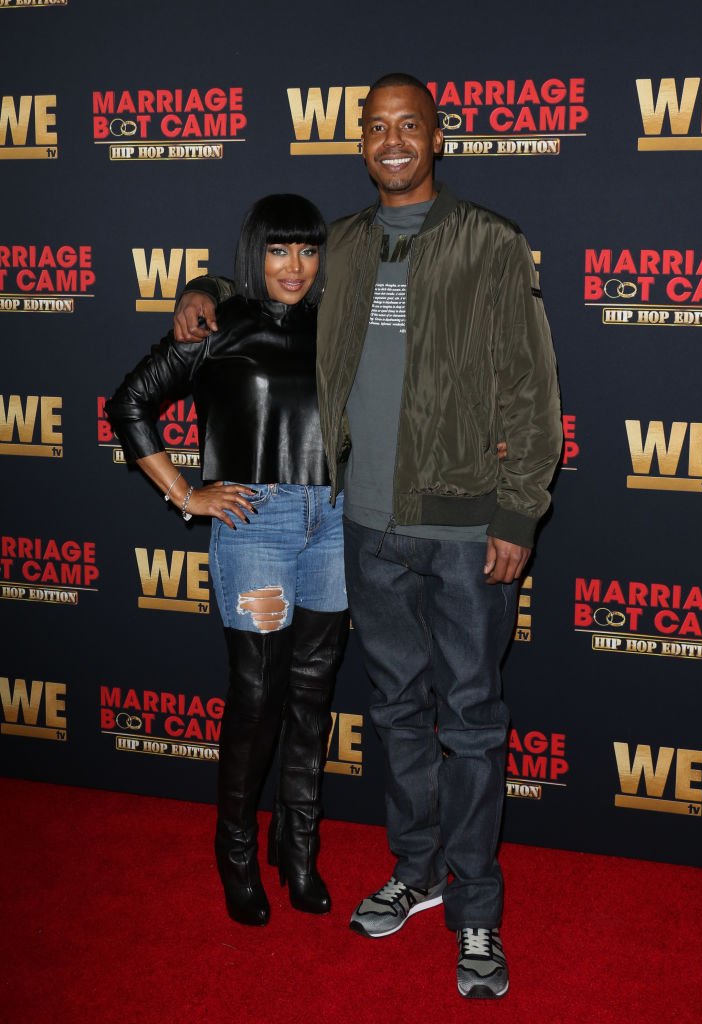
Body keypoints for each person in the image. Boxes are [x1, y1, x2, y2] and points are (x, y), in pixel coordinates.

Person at [175, 73, 562, 999]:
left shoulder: (489, 243)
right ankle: (417, 869)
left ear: (439, 136)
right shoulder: (342, 245)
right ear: (361, 141)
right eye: (375, 127)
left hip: (466, 525)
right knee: (394, 712)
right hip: (364, 524)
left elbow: (532, 388)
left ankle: (476, 915)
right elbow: (278, 285)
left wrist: (516, 512)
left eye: (408, 126)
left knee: (468, 721)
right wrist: (206, 286)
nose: (391, 140)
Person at [107, 194, 349, 928]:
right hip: (256, 527)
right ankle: (235, 850)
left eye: (307, 250)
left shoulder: (337, 325)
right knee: (256, 698)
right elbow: (130, 403)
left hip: (334, 523)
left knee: (313, 696)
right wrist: (186, 492)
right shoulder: (218, 322)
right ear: (255, 254)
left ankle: (297, 849)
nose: (295, 266)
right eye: (279, 250)